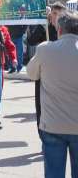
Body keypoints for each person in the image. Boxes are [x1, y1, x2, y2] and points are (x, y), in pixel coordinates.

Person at [26, 11, 78, 178]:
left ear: (59, 30)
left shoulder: (45, 49)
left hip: (53, 124)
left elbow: (32, 74)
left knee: (54, 173)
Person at [27, 2, 66, 128]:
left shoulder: (68, 30)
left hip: (61, 74)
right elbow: (31, 41)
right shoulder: (45, 27)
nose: (55, 17)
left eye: (58, 14)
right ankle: (42, 132)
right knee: (40, 105)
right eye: (54, 13)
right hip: (44, 73)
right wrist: (41, 27)